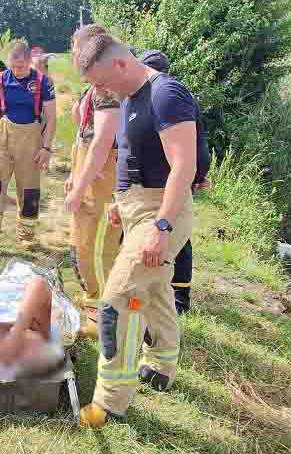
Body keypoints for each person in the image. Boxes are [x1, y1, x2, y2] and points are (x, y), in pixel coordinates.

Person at [76, 33, 202, 427]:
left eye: (100, 81)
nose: (100, 91)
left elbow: (185, 166)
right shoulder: (130, 97)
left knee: (117, 299)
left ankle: (110, 401)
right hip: (136, 207)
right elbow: (132, 156)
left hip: (163, 211)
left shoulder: (166, 94)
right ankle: (162, 365)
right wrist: (120, 201)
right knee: (155, 290)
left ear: (119, 63)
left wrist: (161, 225)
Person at [138, 49, 211, 315]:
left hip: (171, 177)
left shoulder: (164, 97)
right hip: (180, 173)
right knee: (179, 235)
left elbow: (190, 145)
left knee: (174, 233)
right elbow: (200, 142)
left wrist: (196, 175)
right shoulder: (181, 94)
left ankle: (178, 298)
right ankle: (177, 296)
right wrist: (201, 173)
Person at [65, 24, 122, 337]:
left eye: (75, 47)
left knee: (99, 248)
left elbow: (102, 142)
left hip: (102, 181)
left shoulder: (106, 90)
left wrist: (82, 184)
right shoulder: (93, 88)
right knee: (83, 244)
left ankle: (104, 317)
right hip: (89, 174)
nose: (73, 54)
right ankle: (92, 303)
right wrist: (75, 177)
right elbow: (84, 136)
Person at [0, 40, 57, 255]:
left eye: (21, 66)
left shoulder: (43, 82)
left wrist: (46, 147)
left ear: (29, 61)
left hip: (31, 138)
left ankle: (26, 235)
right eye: (13, 66)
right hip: (3, 136)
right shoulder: (0, 80)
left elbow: (51, 118)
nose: (17, 70)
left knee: (29, 190)